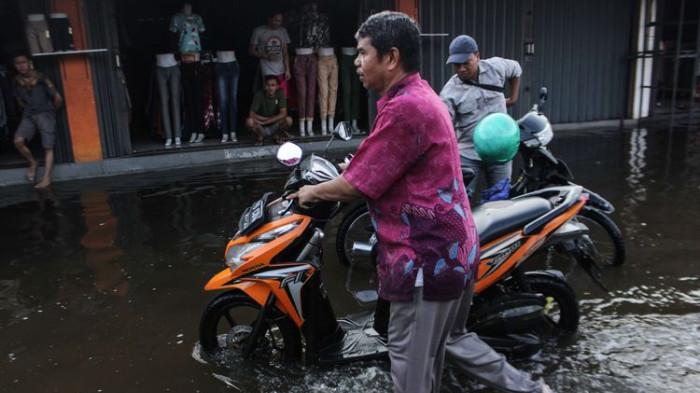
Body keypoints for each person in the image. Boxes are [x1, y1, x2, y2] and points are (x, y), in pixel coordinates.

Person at [290, 11, 478, 393]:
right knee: (428, 367)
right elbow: (388, 164)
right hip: (450, 249)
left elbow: (356, 187)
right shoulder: (418, 95)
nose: (356, 62)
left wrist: (309, 192)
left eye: (362, 53)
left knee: (409, 374)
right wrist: (355, 170)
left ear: (391, 58)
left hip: (424, 258)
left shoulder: (404, 108)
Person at [439, 35, 521, 202]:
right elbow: (444, 127)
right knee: (460, 202)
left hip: (501, 151)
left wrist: (513, 98)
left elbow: (516, 69)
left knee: (500, 199)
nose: (461, 69)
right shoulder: (449, 92)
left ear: (477, 56)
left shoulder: (496, 67)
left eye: (465, 63)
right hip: (469, 154)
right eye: (456, 65)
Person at [12, 54, 63, 189]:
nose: (21, 65)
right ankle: (33, 163)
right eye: (17, 63)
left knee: (48, 147)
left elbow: (57, 98)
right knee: (18, 141)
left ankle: (46, 179)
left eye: (23, 62)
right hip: (28, 115)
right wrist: (27, 109)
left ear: (29, 63)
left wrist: (50, 111)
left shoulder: (41, 78)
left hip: (45, 114)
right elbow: (18, 99)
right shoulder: (16, 80)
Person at [249, 11, 291, 97]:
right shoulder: (259, 31)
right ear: (269, 19)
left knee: (282, 96)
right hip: (266, 69)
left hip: (281, 69)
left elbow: (285, 52)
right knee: (269, 95)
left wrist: (287, 69)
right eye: (276, 20)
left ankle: (281, 110)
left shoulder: (283, 31)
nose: (278, 23)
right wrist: (266, 56)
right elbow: (251, 51)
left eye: (280, 21)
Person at [246, 75, 292, 146]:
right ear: (265, 86)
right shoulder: (259, 95)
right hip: (261, 125)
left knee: (288, 120)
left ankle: (277, 136)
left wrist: (267, 121)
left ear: (277, 86)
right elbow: (251, 114)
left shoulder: (280, 93)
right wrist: (265, 120)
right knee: (249, 121)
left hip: (273, 124)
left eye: (273, 85)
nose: (270, 88)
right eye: (268, 85)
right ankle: (260, 137)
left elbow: (283, 113)